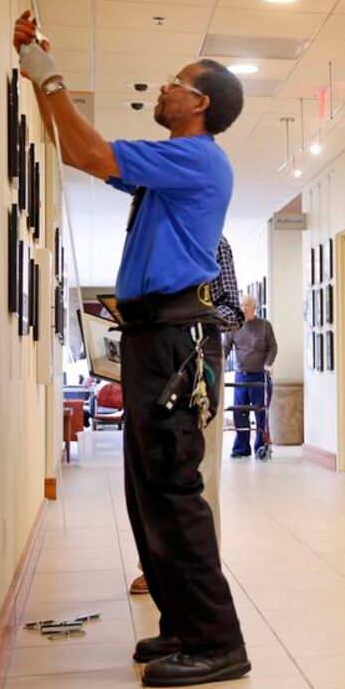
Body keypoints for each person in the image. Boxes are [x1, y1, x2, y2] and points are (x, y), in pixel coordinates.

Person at [14, 12, 251, 686]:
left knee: (173, 489)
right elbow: (75, 147)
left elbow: (89, 153)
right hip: (154, 335)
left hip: (174, 336)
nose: (165, 88)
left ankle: (217, 640)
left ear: (198, 105)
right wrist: (39, 77)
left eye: (177, 83)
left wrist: (46, 72)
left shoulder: (195, 156)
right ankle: (182, 623)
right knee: (147, 490)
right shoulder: (172, 166)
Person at [129, 235, 244, 594]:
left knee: (199, 469)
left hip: (196, 365)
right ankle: (155, 566)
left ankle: (201, 572)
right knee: (153, 469)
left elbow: (233, 311)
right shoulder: (148, 239)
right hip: (153, 363)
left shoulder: (214, 241)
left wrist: (188, 318)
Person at [222, 294, 277, 458]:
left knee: (261, 413)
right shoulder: (235, 327)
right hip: (241, 376)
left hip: (260, 376)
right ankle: (241, 448)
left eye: (246, 305)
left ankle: (261, 447)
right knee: (239, 413)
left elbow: (273, 347)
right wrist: (221, 363)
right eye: (242, 305)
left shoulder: (264, 326)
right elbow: (225, 347)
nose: (243, 308)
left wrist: (268, 363)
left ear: (254, 307)